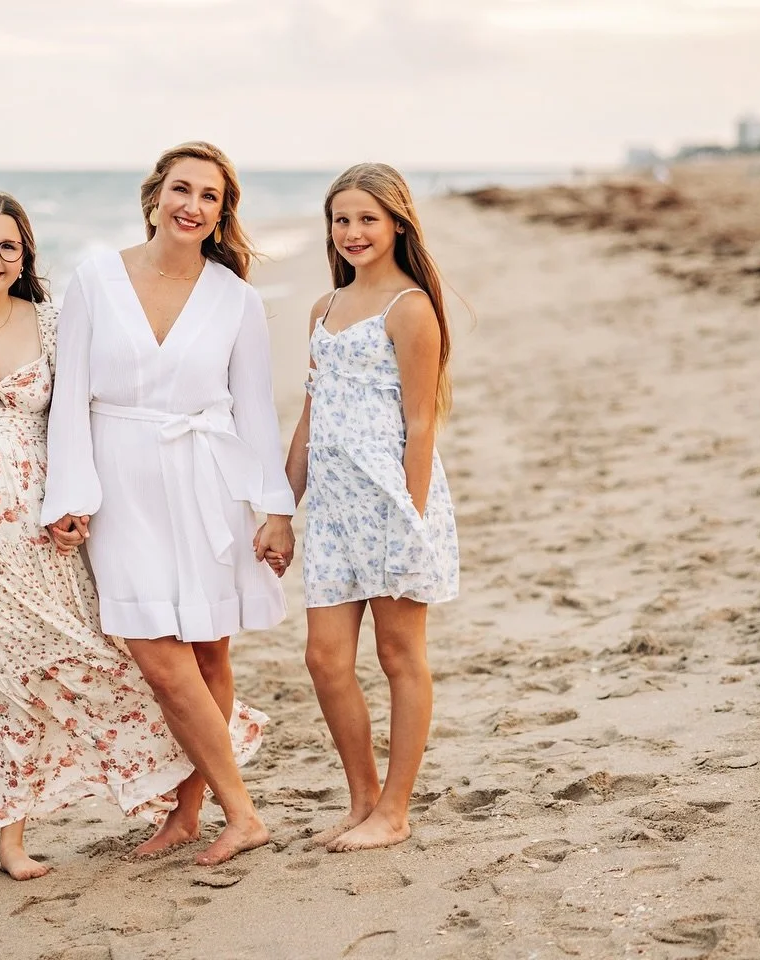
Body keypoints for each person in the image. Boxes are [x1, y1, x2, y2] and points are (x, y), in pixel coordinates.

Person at [0, 192, 247, 893]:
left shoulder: (50, 322)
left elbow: (83, 414)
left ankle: (17, 840)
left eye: (8, 246)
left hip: (46, 540)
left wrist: (78, 500)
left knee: (47, 680)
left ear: (24, 257)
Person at [42, 142, 296, 866]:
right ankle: (242, 812)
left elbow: (254, 410)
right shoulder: (95, 279)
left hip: (205, 482)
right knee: (159, 658)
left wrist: (274, 509)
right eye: (182, 189)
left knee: (210, 651)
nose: (192, 205)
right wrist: (70, 493)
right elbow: (69, 397)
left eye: (210, 196)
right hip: (120, 490)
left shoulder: (237, 299)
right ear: (155, 196)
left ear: (222, 213)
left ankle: (190, 813)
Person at [280, 163, 460, 852]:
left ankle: (395, 809)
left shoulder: (409, 308)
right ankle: (361, 799)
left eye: (367, 219)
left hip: (390, 504)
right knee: (325, 659)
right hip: (331, 510)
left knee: (398, 653)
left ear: (396, 224)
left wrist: (410, 518)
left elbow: (421, 423)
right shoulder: (323, 309)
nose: (352, 232)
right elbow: (310, 416)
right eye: (341, 219)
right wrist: (281, 508)